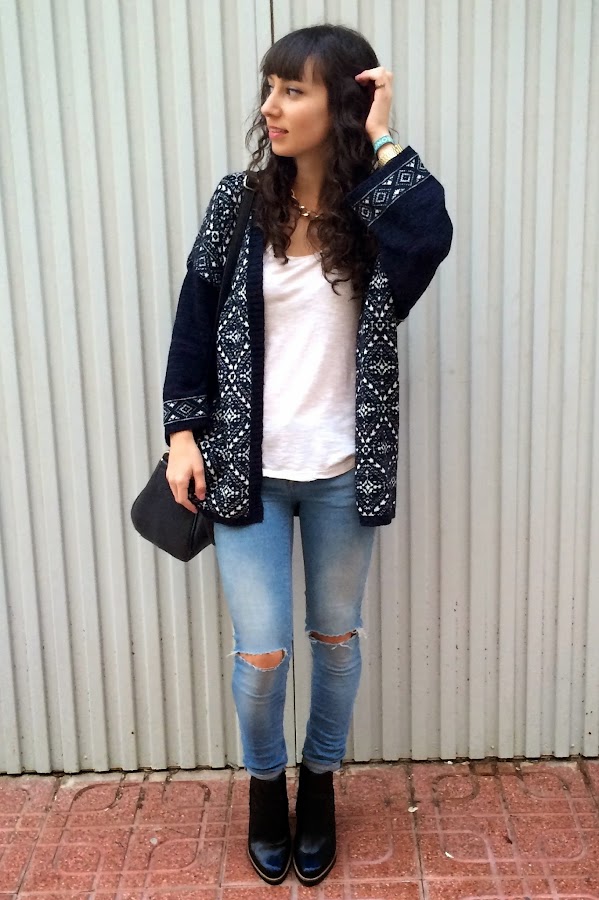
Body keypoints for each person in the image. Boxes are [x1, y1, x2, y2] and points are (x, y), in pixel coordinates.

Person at [162, 23, 452, 887]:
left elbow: (430, 230)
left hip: (339, 471)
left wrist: (383, 137)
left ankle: (318, 785)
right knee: (261, 657)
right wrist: (182, 433)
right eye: (269, 87)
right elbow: (193, 315)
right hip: (245, 469)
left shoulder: (375, 217)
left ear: (341, 106)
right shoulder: (237, 203)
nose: (271, 106)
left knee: (333, 642)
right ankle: (266, 788)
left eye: (293, 89)